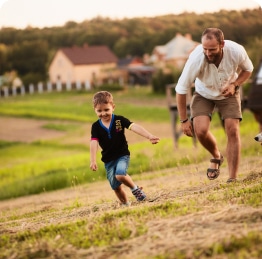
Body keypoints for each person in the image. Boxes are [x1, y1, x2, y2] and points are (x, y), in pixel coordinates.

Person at [175, 28, 253, 183]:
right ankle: (216, 156)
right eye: (205, 49)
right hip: (203, 93)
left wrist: (235, 85)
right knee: (201, 130)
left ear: (222, 44)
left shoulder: (236, 51)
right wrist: (183, 120)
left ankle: (232, 178)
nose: (208, 53)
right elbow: (181, 89)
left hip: (229, 91)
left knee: (232, 129)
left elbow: (248, 69)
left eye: (212, 49)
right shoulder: (196, 59)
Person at [90, 91, 160, 206]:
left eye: (106, 110)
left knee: (120, 174)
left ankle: (135, 189)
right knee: (116, 188)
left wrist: (149, 136)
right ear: (95, 110)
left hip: (122, 155)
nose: (103, 113)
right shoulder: (96, 127)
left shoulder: (119, 120)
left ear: (113, 107)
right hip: (108, 160)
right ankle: (126, 205)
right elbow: (93, 143)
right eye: (99, 111)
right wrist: (92, 160)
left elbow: (134, 127)